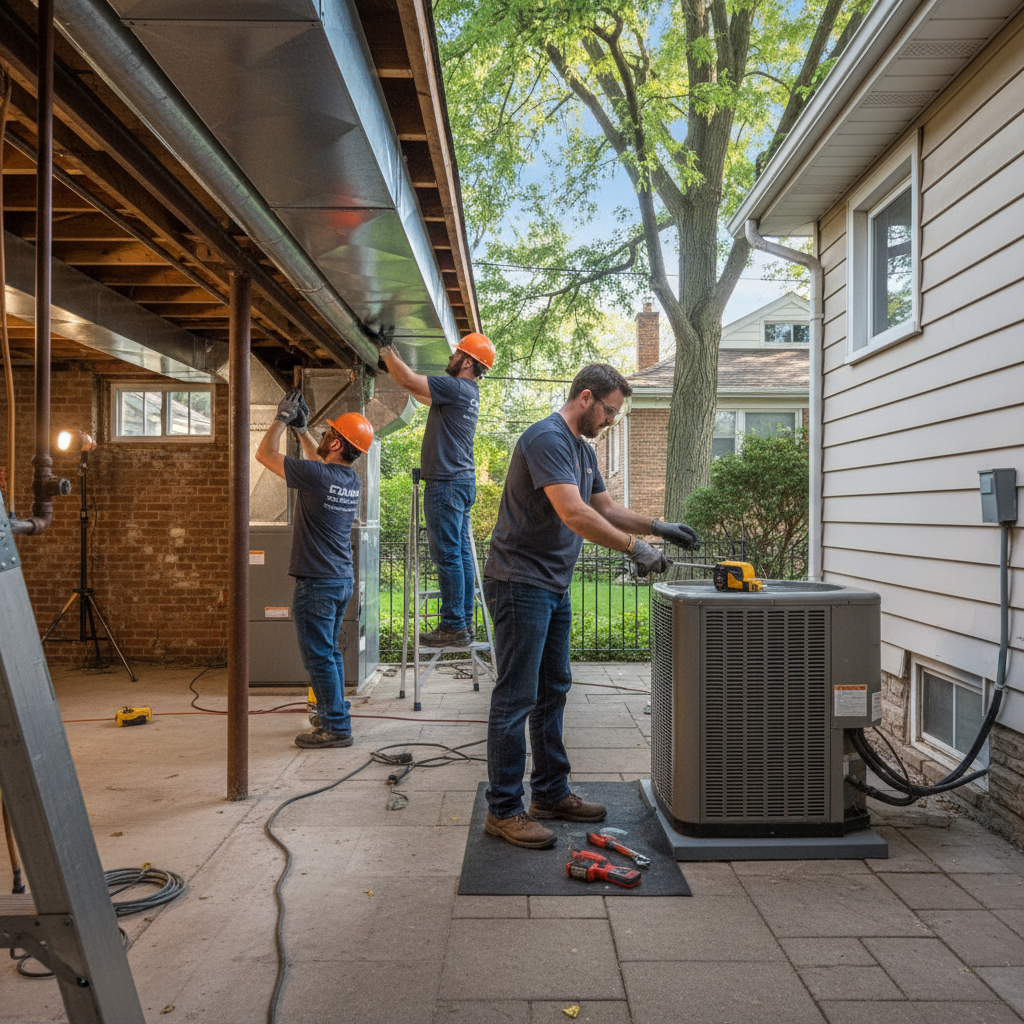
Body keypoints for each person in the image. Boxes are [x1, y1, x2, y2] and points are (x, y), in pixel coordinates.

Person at [482, 363, 701, 848]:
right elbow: (573, 512)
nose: (611, 421)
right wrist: (634, 549)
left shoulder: (581, 450)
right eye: (610, 411)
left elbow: (604, 507)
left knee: (553, 688)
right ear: (586, 398)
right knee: (516, 696)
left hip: (552, 586)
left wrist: (658, 527)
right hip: (520, 583)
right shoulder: (546, 439)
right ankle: (503, 809)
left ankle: (550, 793)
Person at [255, 389, 374, 748]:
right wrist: (303, 431)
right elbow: (320, 464)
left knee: (318, 656)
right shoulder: (349, 480)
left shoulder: (319, 478)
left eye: (327, 434)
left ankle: (336, 727)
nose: (323, 438)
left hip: (318, 584)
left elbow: (263, 454)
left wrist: (281, 420)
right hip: (340, 580)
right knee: (330, 653)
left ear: (337, 443)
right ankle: (331, 714)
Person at [377, 332, 495, 648]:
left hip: (445, 482)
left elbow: (410, 382)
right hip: (460, 481)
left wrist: (385, 349)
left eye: (455, 354)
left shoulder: (456, 386)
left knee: (448, 555)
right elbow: (421, 394)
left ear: (467, 361)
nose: (449, 358)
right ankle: (463, 624)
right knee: (460, 554)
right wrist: (394, 360)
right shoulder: (468, 391)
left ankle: (454, 626)